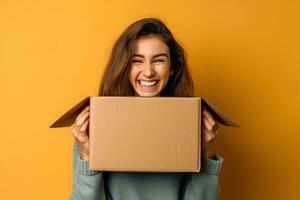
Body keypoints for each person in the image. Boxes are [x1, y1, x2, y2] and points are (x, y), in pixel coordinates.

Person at [70, 18, 223, 200]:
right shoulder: (97, 126)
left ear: (172, 67)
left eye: (158, 60)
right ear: (125, 67)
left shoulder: (190, 125)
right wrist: (87, 156)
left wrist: (206, 153)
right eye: (137, 61)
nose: (148, 71)